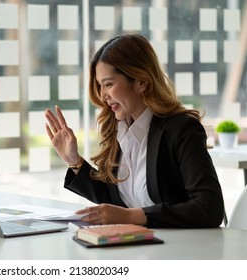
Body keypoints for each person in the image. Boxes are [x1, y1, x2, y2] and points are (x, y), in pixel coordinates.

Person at [45, 33, 224, 228]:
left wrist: (132, 217)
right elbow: (116, 200)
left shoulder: (181, 129)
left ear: (141, 82)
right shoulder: (118, 130)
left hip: (179, 249)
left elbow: (209, 208)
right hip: (136, 246)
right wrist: (74, 161)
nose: (102, 95)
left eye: (108, 84)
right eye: (99, 86)